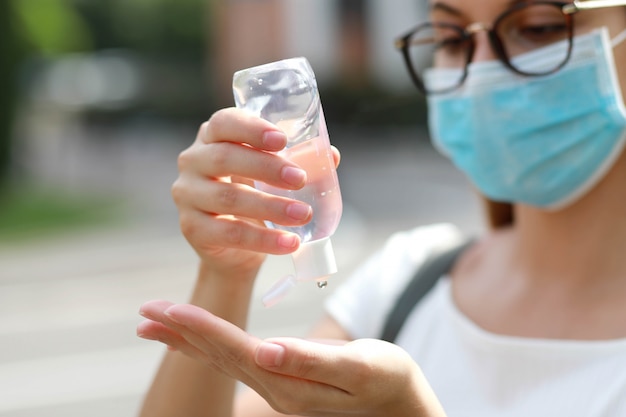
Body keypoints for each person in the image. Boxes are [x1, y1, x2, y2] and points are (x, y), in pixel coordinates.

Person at [136, 1, 626, 416]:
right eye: (451, 38)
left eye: (538, 27)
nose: (480, 71)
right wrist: (226, 274)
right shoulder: (410, 280)